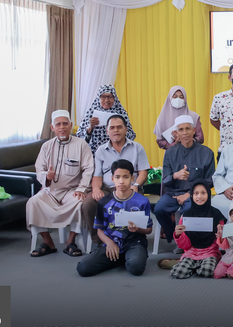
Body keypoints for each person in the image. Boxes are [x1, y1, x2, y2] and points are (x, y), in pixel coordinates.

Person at [28, 110, 94, 257]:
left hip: (72, 190)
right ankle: (48, 242)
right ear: (52, 127)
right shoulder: (46, 146)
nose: (62, 127)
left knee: (79, 202)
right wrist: (46, 176)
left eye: (65, 124)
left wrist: (82, 188)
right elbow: (39, 169)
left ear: (71, 125)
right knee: (33, 202)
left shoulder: (81, 144)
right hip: (51, 191)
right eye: (58, 124)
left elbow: (89, 169)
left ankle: (70, 242)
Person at [76, 160, 152, 277]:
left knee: (136, 268)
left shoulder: (142, 201)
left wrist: (137, 229)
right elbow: (99, 230)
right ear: (112, 179)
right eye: (117, 177)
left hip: (134, 243)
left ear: (132, 178)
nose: (121, 181)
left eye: (125, 177)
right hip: (111, 241)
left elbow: (148, 229)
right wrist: (109, 243)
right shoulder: (104, 202)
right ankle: (120, 257)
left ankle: (126, 257)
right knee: (83, 268)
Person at [85, 114, 149, 245]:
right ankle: (99, 242)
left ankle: (131, 241)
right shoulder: (101, 151)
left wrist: (136, 185)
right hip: (108, 189)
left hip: (130, 187)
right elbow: (97, 175)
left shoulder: (137, 148)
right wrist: (96, 189)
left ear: (126, 129)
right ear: (107, 131)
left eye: (119, 127)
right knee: (88, 204)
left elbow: (143, 172)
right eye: (112, 128)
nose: (116, 130)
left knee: (131, 203)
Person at [154, 115, 216, 242]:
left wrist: (189, 194)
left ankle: (189, 241)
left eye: (188, 129)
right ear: (176, 133)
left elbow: (209, 181)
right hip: (172, 194)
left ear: (194, 131)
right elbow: (165, 179)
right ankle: (174, 236)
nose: (185, 132)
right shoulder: (170, 153)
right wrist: (175, 176)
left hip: (195, 195)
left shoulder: (206, 152)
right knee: (159, 209)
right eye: (181, 130)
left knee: (189, 209)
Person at [168, 182, 225, 279]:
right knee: (178, 273)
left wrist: (221, 236)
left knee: (207, 271)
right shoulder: (186, 216)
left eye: (203, 193)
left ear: (208, 194)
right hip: (191, 252)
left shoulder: (216, 215)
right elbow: (185, 246)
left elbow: (220, 245)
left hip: (210, 252)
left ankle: (192, 265)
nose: (199, 196)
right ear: (191, 195)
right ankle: (192, 264)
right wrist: (179, 235)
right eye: (196, 193)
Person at [76, 84, 137, 154]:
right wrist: (89, 129)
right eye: (103, 97)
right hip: (94, 154)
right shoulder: (91, 113)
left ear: (115, 98)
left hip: (117, 153)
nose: (107, 100)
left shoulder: (121, 113)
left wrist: (119, 130)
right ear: (98, 98)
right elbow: (80, 137)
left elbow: (131, 136)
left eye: (110, 97)